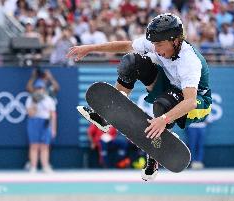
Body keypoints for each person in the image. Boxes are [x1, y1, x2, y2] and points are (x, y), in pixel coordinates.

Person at [67, 13, 212, 181]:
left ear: (175, 40)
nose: (156, 49)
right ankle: (107, 116)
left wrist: (163, 120)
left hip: (198, 104)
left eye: (159, 45)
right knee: (131, 62)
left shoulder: (189, 61)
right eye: (154, 44)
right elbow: (125, 46)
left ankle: (154, 157)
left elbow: (190, 102)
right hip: (170, 86)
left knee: (162, 106)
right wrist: (90, 48)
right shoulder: (157, 43)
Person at [25, 79, 57, 173]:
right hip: (34, 122)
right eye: (38, 88)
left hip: (45, 123)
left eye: (41, 88)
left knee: (45, 146)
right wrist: (35, 103)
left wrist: (53, 129)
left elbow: (53, 115)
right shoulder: (30, 99)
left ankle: (45, 166)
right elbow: (30, 114)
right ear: (35, 89)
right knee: (34, 145)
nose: (40, 90)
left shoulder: (49, 100)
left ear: (44, 89)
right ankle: (33, 167)